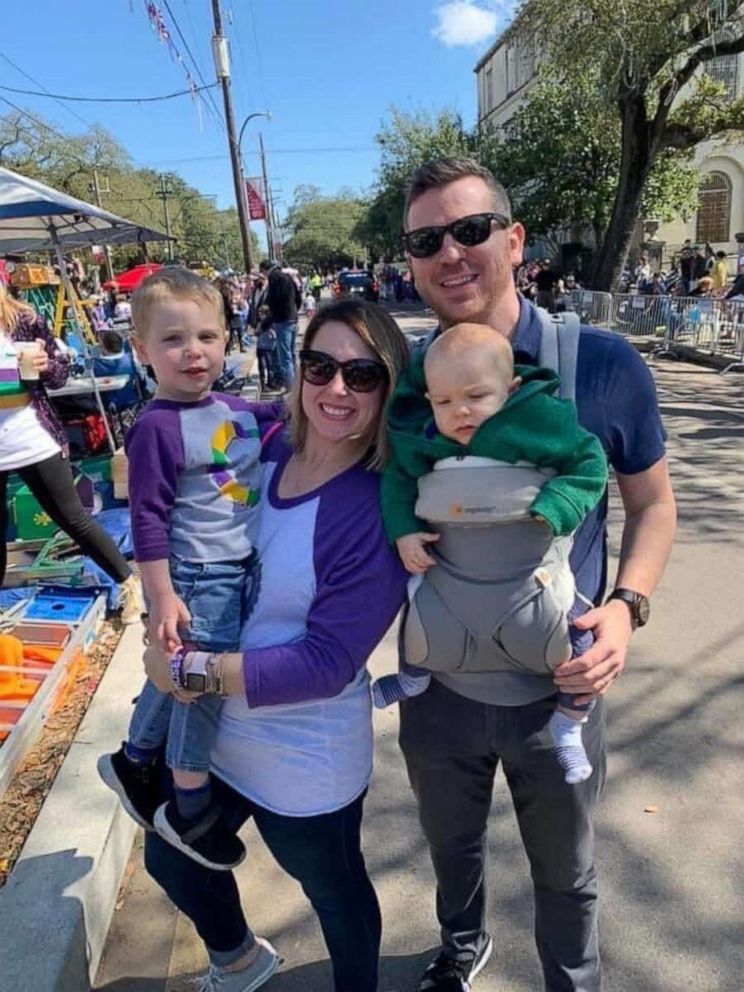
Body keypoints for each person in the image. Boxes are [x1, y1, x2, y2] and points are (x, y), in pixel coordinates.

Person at [396, 157, 676, 992]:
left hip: (558, 678)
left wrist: (627, 609)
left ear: (514, 241)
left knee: (567, 869)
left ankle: (575, 980)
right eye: (425, 239)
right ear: (409, 260)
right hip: (436, 684)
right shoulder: (409, 380)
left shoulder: (601, 364)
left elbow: (654, 506)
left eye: (470, 229)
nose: (450, 253)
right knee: (450, 847)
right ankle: (461, 943)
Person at [133, 298, 409, 992]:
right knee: (172, 859)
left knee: (334, 893)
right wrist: (160, 610)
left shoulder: (375, 509)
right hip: (216, 736)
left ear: (389, 386)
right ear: (299, 367)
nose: (337, 389)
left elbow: (325, 664)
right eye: (320, 365)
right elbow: (179, 517)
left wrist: (185, 673)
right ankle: (238, 958)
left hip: (301, 758)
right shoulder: (265, 443)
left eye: (363, 374)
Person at [374, 321, 608, 785]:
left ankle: (569, 722)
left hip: (533, 571)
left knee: (580, 638)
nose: (459, 411)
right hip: (451, 572)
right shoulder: (422, 436)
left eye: (476, 397)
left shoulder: (538, 421)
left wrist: (558, 504)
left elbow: (589, 462)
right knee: (419, 611)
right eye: (443, 402)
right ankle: (414, 676)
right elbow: (398, 480)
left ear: (511, 387)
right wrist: (403, 531)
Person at [98, 268, 270, 871]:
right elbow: (145, 521)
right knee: (203, 684)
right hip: (198, 578)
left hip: (236, 572)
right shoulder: (155, 427)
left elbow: (284, 421)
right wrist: (163, 596)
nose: (192, 352)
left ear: (227, 338)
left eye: (206, 336)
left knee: (176, 676)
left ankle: (134, 757)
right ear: (142, 351)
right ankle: (188, 804)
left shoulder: (236, 409)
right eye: (172, 340)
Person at [0, 282, 143, 621]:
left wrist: (45, 364)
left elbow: (60, 375)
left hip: (31, 437)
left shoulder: (24, 319)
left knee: (72, 517)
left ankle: (128, 584)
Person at [260, 259, 301, 389]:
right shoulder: (287, 277)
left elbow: (274, 300)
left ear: (265, 270)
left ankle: (291, 389)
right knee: (292, 354)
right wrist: (294, 311)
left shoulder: (274, 278)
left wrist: (268, 320)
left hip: (282, 319)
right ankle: (297, 385)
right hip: (293, 318)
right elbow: (298, 297)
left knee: (285, 358)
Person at [254, 304, 279, 391]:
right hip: (261, 348)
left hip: (269, 348)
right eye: (259, 314)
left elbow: (275, 336)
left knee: (270, 366)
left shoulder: (271, 325)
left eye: (262, 314)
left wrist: (271, 332)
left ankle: (270, 382)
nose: (260, 316)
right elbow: (256, 332)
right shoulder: (260, 324)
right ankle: (262, 383)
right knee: (262, 365)